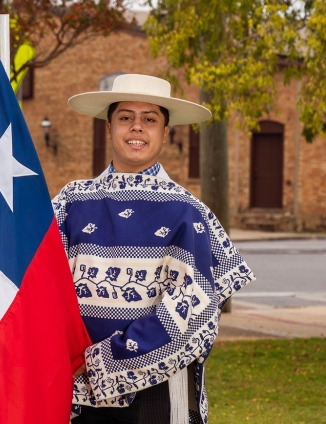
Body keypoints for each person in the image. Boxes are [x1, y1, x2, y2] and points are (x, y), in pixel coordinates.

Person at [51, 74, 256, 424]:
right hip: (74, 389)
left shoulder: (187, 211)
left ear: (165, 132)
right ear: (109, 127)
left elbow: (195, 312)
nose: (136, 128)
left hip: (157, 394)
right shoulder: (71, 202)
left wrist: (107, 360)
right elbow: (41, 281)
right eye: (125, 117)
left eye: (150, 119)